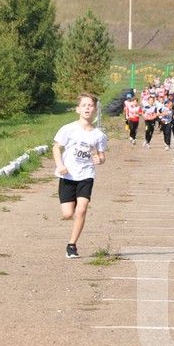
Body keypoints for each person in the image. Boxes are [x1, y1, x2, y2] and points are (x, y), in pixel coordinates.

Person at [52, 93, 107, 259]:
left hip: (86, 175)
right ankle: (74, 207)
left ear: (95, 109)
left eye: (90, 105)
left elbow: (101, 156)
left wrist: (100, 159)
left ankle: (72, 245)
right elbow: (56, 148)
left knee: (81, 210)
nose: (87, 108)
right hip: (68, 175)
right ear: (78, 109)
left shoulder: (99, 135)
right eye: (84, 105)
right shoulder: (68, 129)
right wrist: (60, 165)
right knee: (68, 214)